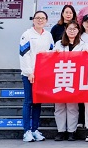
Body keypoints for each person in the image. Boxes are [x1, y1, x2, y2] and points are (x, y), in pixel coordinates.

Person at [19, 10, 54, 143]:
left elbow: (50, 53)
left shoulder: (48, 35)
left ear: (46, 21)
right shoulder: (27, 34)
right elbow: (24, 54)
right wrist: (29, 72)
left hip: (42, 74)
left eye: (43, 18)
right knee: (28, 102)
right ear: (33, 20)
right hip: (29, 74)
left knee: (38, 102)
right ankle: (26, 131)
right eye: (37, 18)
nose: (40, 20)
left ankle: (35, 130)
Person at [53, 20, 81, 141]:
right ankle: (61, 131)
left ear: (78, 30)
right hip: (60, 77)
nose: (72, 31)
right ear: (66, 30)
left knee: (72, 106)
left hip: (75, 78)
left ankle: (71, 131)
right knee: (59, 105)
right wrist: (54, 53)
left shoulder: (83, 45)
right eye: (70, 29)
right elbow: (51, 58)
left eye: (74, 29)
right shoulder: (59, 44)